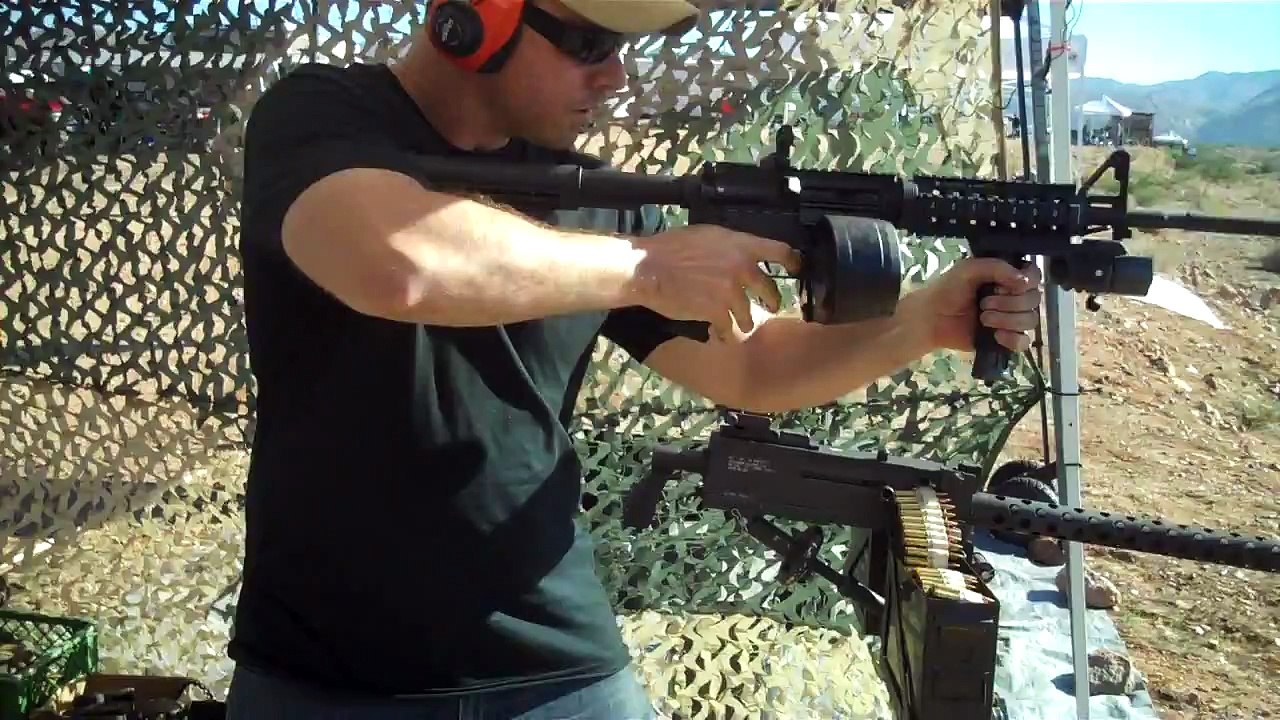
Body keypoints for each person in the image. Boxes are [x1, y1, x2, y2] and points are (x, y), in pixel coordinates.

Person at [226, 0, 1044, 718]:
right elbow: (398, 261)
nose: (615, 77)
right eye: (589, 44)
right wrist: (647, 266)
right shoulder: (319, 117)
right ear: (473, 22)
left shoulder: (594, 195)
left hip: (553, 659)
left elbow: (747, 367)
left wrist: (919, 326)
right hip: (321, 671)